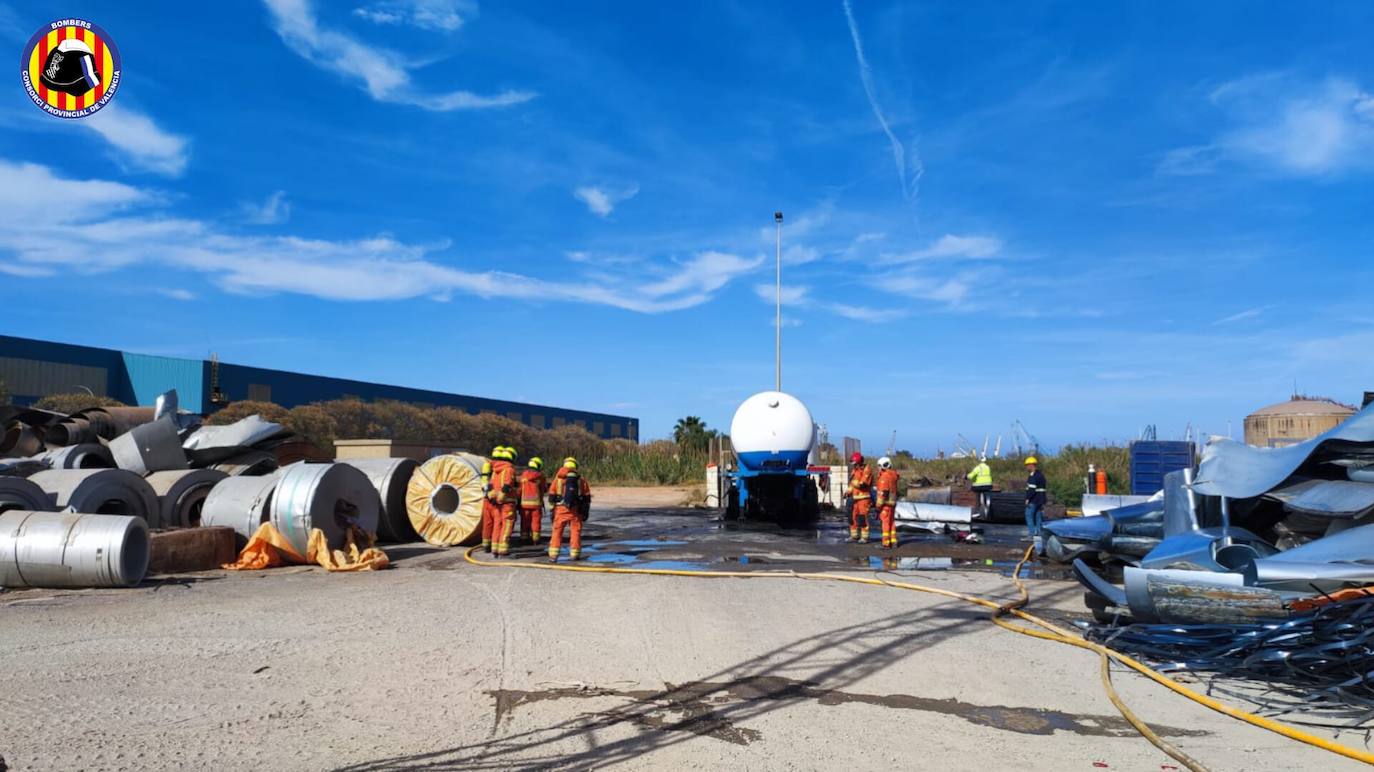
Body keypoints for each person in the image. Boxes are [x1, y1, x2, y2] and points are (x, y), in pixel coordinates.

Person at [548, 457, 592, 563]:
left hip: (560, 509)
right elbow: (586, 497)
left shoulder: (557, 479)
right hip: (575, 511)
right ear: (575, 466)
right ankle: (574, 554)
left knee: (557, 532)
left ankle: (553, 555)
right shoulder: (581, 480)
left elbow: (551, 496)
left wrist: (551, 510)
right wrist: (585, 511)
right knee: (575, 531)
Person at [488, 446, 519, 557]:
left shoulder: (495, 469)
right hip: (507, 502)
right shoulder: (509, 469)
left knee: (497, 525)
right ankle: (503, 549)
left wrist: (493, 496)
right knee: (507, 525)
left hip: (496, 503)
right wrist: (503, 495)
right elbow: (508, 484)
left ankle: (494, 548)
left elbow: (490, 485)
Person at [519, 456, 548, 544]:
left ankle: (524, 538)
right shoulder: (540, 476)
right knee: (536, 521)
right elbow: (544, 489)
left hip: (524, 504)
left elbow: (520, 489)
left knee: (525, 521)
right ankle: (535, 539)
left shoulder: (523, 475)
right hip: (536, 503)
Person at [875, 456, 901, 549]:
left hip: (885, 504)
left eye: (879, 466)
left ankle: (886, 543)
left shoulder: (884, 477)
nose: (878, 468)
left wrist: (878, 506)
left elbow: (883, 492)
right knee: (891, 522)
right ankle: (893, 541)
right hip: (892, 503)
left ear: (883, 466)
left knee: (885, 523)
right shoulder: (893, 475)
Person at [847, 452, 873, 543]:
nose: (854, 466)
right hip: (854, 498)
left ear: (858, 462)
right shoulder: (855, 470)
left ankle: (864, 537)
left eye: (855, 464)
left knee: (862, 518)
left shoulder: (867, 469)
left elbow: (862, 485)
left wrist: (853, 483)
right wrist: (848, 491)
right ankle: (854, 536)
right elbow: (852, 484)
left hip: (863, 498)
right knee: (852, 517)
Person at [479, 446, 500, 552]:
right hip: (493, 500)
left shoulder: (487, 465)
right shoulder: (499, 467)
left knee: (487, 523)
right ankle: (495, 546)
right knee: (497, 523)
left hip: (486, 498)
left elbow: (484, 482)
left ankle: (486, 545)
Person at [1024, 456, 1048, 544]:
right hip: (1041, 500)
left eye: (1027, 465)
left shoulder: (1033, 476)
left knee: (1028, 515)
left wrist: (1027, 499)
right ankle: (1039, 533)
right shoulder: (1040, 475)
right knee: (1038, 517)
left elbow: (1031, 489)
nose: (1026, 467)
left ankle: (1031, 534)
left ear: (1031, 465)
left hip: (1034, 500)